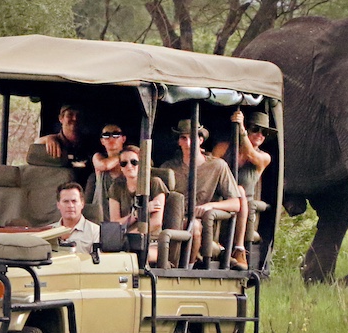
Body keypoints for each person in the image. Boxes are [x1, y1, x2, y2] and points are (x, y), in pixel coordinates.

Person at [159, 122, 236, 265]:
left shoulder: (217, 166)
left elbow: (236, 203)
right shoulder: (168, 167)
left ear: (201, 140)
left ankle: (187, 268)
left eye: (192, 137)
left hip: (201, 223)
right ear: (179, 141)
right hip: (172, 220)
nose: (188, 143)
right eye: (183, 138)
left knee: (194, 226)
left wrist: (210, 206)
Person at [226, 109, 274, 267]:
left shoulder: (264, 157)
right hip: (221, 197)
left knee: (240, 190)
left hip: (243, 203)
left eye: (264, 132)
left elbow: (251, 155)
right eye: (255, 129)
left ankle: (239, 249)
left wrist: (241, 130)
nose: (259, 135)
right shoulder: (226, 147)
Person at [107, 145, 165, 264]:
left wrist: (130, 236)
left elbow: (156, 222)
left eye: (134, 162)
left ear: (142, 164)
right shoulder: (116, 188)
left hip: (152, 242)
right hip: (122, 242)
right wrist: (137, 214)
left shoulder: (155, 183)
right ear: (121, 168)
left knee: (138, 256)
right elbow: (115, 223)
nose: (129, 166)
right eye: (124, 163)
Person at [54, 181, 101, 253]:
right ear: (58, 205)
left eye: (74, 201)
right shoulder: (48, 232)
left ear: (82, 204)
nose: (70, 206)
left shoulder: (95, 232)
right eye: (66, 201)